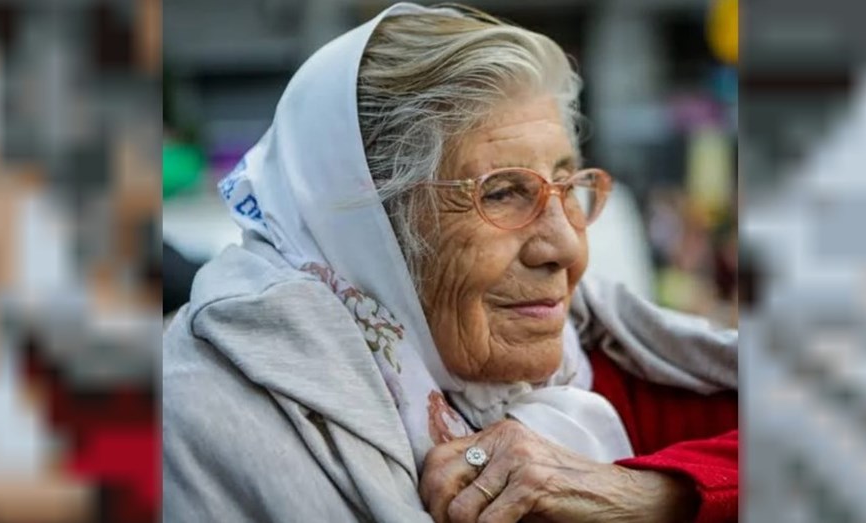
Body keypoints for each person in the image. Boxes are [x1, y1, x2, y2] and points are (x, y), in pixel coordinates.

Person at [162, 3, 738, 522]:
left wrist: (647, 494)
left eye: (567, 186)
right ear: (371, 232)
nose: (565, 249)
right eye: (503, 193)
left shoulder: (595, 358)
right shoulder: (202, 418)